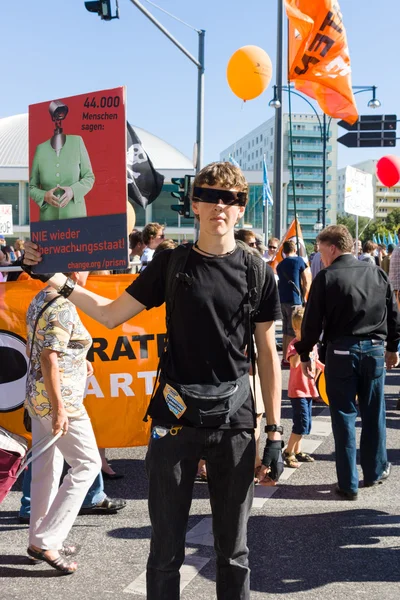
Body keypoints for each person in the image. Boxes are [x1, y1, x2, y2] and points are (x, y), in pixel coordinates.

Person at [23, 161, 284, 599]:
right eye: (211, 195)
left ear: (241, 209)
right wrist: (50, 276)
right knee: (164, 549)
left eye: (232, 199)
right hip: (174, 419)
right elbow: (109, 314)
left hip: (236, 421)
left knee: (233, 552)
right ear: (195, 204)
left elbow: (267, 354)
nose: (221, 206)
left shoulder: (258, 271)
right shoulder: (171, 262)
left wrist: (274, 432)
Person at [294, 225, 400, 500]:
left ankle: (348, 482)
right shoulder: (376, 272)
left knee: (343, 416)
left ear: (332, 248)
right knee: (374, 413)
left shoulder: (327, 277)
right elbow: (393, 313)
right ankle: (375, 472)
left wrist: (305, 353)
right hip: (375, 350)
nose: (321, 257)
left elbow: (312, 321)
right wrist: (392, 347)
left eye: (321, 251)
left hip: (341, 352)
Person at [25, 272, 103, 573]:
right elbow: (48, 358)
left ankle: (39, 539)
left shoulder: (40, 298)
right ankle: (47, 540)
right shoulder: (64, 306)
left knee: (48, 469)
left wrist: (79, 358)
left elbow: (46, 347)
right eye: (84, 269)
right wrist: (60, 409)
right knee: (87, 465)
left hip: (38, 396)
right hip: (61, 402)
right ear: (69, 273)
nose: (87, 275)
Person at [29, 100, 95, 221]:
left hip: (76, 217)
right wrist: (44, 196)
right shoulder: (40, 149)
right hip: (48, 220)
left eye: (61, 115)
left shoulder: (77, 142)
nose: (58, 120)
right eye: (56, 116)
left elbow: (89, 177)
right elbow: (31, 187)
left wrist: (73, 191)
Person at [284, 306, 322, 468]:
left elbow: (316, 362)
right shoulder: (294, 345)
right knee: (300, 424)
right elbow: (293, 363)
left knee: (307, 424)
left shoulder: (312, 345)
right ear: (295, 329)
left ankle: (298, 451)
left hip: (308, 389)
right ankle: (288, 452)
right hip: (298, 390)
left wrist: (324, 368)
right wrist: (301, 349)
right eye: (301, 331)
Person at [276, 240, 311, 367]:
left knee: (285, 330)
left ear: (284, 251)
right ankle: (290, 357)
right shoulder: (299, 261)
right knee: (294, 329)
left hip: (282, 299)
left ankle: (285, 357)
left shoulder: (280, 265)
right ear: (295, 250)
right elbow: (306, 279)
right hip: (294, 299)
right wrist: (305, 295)